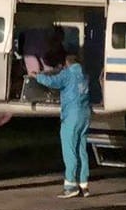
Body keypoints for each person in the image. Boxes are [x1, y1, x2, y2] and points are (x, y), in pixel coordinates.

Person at [34, 52, 91, 197]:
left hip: (71, 115)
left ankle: (70, 185)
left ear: (67, 63)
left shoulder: (68, 74)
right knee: (81, 150)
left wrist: (37, 76)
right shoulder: (84, 75)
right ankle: (83, 184)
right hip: (85, 114)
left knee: (69, 150)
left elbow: (53, 82)